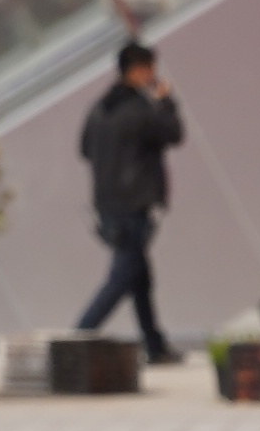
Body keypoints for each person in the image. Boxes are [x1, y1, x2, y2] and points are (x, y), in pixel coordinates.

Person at [75, 37, 183, 361]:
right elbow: (174, 133)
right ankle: (77, 338)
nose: (153, 76)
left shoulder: (99, 109)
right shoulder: (139, 110)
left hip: (106, 204)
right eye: (150, 69)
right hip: (133, 205)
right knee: (122, 277)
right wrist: (166, 101)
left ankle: (155, 345)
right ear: (137, 71)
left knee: (140, 279)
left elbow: (83, 149)